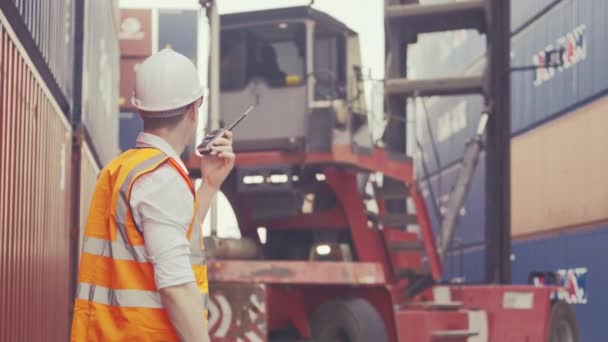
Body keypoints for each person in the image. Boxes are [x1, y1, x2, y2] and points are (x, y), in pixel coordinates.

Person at [71, 49, 234, 342]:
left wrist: (208, 186)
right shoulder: (161, 179)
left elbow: (167, 242)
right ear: (194, 110)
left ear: (139, 110)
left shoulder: (122, 168)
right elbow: (175, 286)